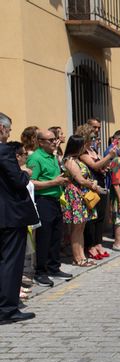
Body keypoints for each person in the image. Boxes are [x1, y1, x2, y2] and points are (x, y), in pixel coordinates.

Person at [0, 112, 38, 323]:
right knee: (11, 262)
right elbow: (16, 181)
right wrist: (25, 173)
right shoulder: (4, 151)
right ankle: (7, 309)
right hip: (10, 215)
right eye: (8, 130)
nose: (8, 134)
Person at [27, 128, 72, 287]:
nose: (55, 142)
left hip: (54, 199)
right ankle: (40, 272)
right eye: (50, 140)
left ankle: (54, 267)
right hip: (43, 200)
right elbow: (31, 182)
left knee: (55, 235)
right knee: (44, 238)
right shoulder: (36, 158)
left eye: (55, 139)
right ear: (40, 142)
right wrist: (53, 183)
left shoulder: (52, 155)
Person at [61, 135, 102, 267]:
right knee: (76, 228)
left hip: (82, 195)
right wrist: (93, 185)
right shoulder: (69, 160)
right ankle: (77, 258)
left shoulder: (76, 159)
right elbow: (79, 179)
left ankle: (82, 256)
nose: (85, 147)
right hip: (76, 195)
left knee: (81, 227)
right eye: (83, 145)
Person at [79, 124, 117, 260]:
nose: (95, 138)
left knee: (101, 216)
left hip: (100, 183)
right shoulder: (82, 152)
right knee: (92, 218)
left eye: (96, 137)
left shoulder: (93, 150)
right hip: (90, 186)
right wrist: (110, 156)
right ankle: (90, 245)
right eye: (93, 136)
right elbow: (94, 165)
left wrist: (105, 166)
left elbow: (100, 165)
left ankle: (98, 242)